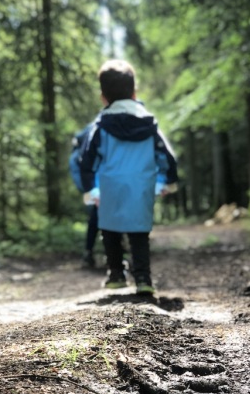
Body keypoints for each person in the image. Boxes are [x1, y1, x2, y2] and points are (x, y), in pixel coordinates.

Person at [79, 59, 178, 295]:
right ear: (134, 92)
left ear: (103, 97)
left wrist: (90, 190)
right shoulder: (149, 123)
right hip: (141, 186)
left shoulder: (101, 126)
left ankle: (116, 274)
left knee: (109, 229)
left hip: (110, 186)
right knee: (139, 232)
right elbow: (167, 156)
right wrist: (167, 182)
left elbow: (87, 160)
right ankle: (143, 278)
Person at [69, 125, 99, 269]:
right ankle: (89, 252)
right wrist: (91, 192)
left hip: (94, 188)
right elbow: (79, 176)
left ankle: (90, 252)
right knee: (95, 217)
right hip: (92, 189)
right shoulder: (77, 156)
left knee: (96, 218)